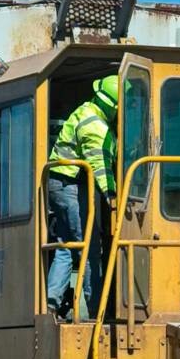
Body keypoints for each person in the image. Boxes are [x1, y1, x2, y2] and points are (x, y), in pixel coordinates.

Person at [45, 75, 118, 321]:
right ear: (113, 106)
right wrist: (111, 195)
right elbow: (100, 166)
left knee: (68, 245)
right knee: (89, 247)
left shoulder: (86, 110)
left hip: (60, 184)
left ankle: (51, 303)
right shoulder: (96, 127)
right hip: (70, 185)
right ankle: (97, 310)